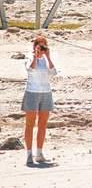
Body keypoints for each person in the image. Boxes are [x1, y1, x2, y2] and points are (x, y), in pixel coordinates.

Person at [22, 35, 57, 166]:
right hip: (32, 92)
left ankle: (39, 152)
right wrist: (36, 56)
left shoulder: (46, 59)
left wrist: (48, 56)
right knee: (30, 124)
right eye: (39, 45)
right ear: (35, 46)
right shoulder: (30, 57)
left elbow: (53, 73)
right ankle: (29, 154)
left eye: (44, 45)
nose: (42, 48)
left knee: (42, 124)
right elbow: (30, 69)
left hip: (45, 92)